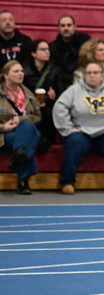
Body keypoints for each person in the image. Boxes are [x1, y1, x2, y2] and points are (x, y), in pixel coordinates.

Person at [53, 61, 104, 195]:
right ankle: (67, 182)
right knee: (74, 141)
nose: (92, 76)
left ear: (102, 75)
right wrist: (68, 129)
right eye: (89, 73)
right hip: (81, 133)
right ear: (84, 75)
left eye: (95, 73)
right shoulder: (74, 90)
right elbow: (59, 108)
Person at [0, 61, 42, 195]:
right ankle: (22, 180)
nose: (20, 74)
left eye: (22, 71)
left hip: (22, 132)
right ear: (6, 75)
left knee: (27, 126)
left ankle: (19, 156)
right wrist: (3, 127)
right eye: (16, 71)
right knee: (31, 137)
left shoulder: (28, 93)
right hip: (3, 135)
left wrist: (21, 119)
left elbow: (38, 117)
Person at [22, 39, 67, 149]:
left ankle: (46, 142)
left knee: (49, 113)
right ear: (33, 53)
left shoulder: (55, 70)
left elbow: (63, 95)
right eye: (43, 49)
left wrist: (53, 98)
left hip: (48, 106)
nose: (47, 52)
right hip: (28, 105)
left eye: (48, 49)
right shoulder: (23, 70)